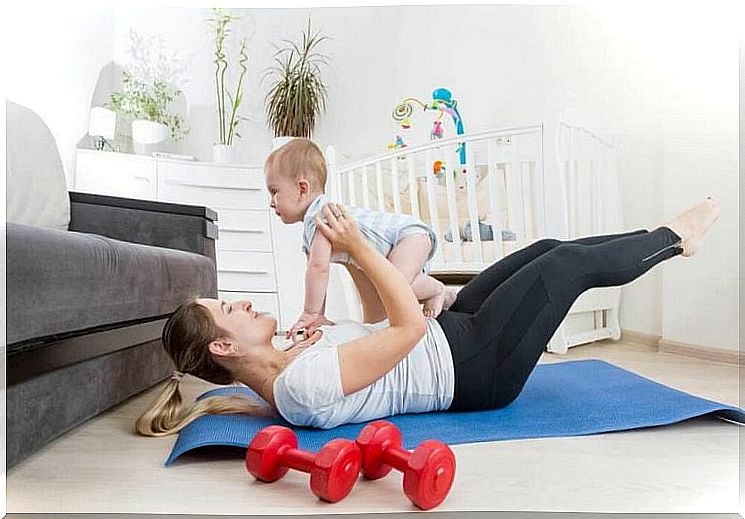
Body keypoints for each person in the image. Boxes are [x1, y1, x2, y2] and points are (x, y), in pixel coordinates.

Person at [136, 198, 720, 436]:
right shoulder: (300, 385)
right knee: (566, 266)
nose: (240, 303)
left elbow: (376, 320)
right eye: (227, 310)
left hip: (453, 332)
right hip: (475, 368)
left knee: (545, 249)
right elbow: (405, 328)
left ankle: (650, 236)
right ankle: (675, 240)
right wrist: (365, 250)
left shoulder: (294, 349)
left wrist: (349, 261)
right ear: (222, 348)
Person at [264, 138, 458, 339]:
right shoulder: (312, 228)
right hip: (402, 240)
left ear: (302, 189)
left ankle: (436, 290)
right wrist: (318, 315)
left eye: (274, 192)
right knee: (392, 289)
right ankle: (449, 297)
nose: (271, 202)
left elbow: (318, 270)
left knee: (396, 287)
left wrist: (310, 313)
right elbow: (316, 276)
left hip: (407, 236)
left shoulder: (322, 216)